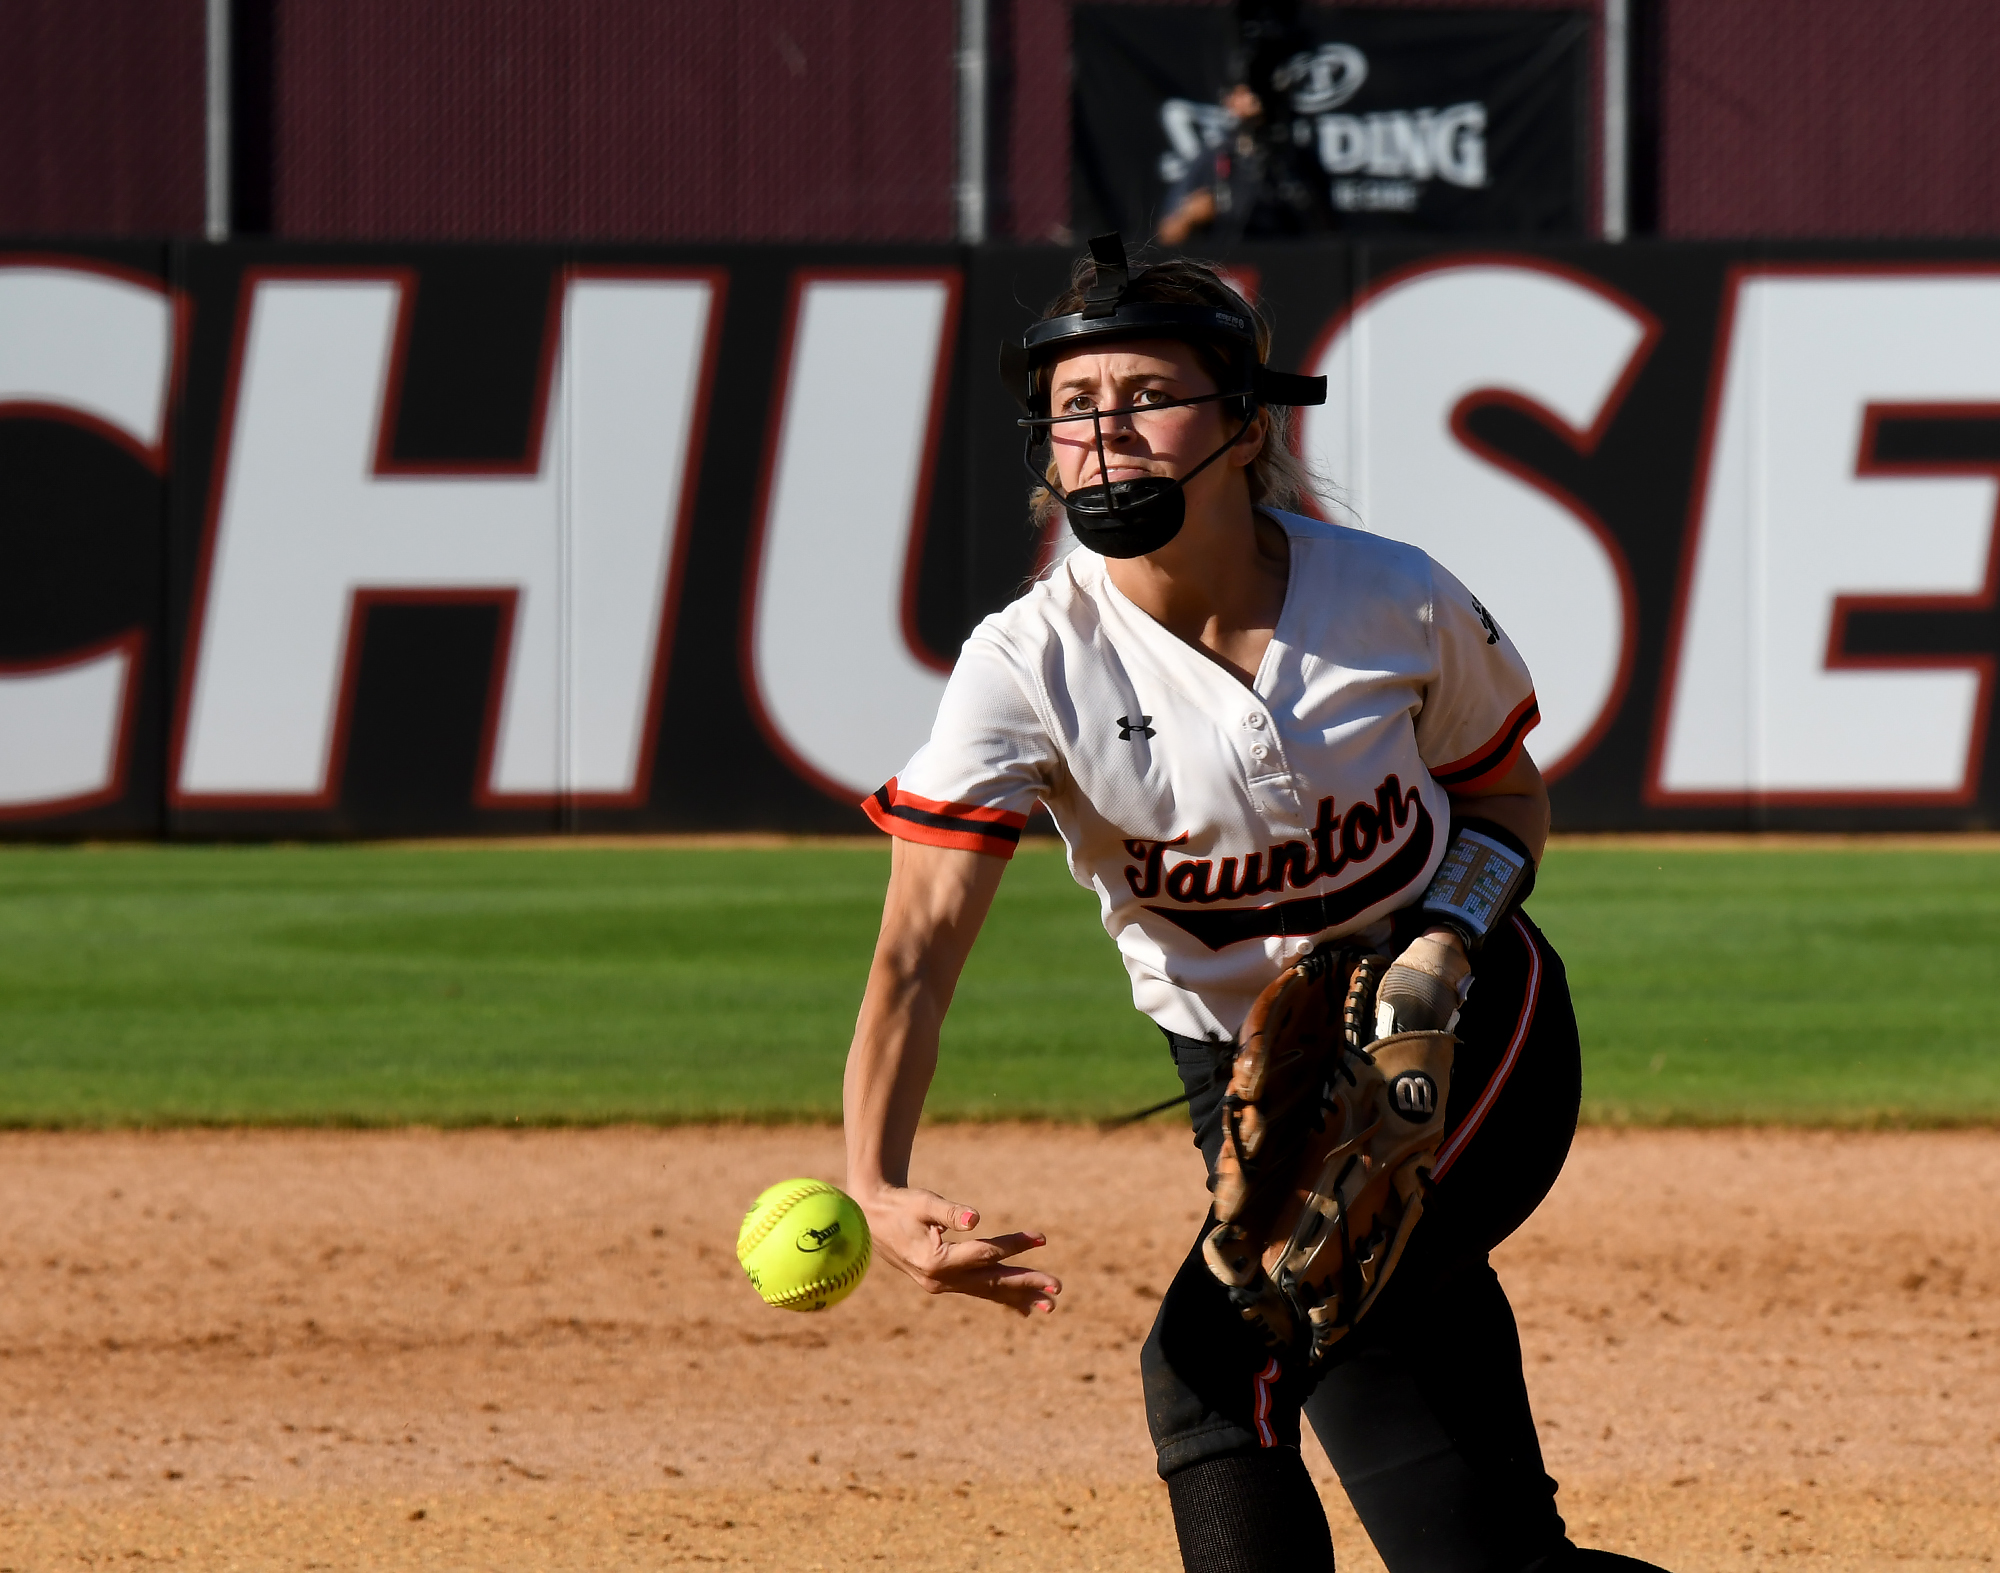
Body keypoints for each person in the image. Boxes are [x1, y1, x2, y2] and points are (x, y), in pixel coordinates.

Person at [841, 237, 1670, 1573]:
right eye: (1073, 402)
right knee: (1486, 1561)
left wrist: (1445, 938)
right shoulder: (1025, 664)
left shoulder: (1389, 596)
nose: (1103, 429)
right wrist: (873, 1176)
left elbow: (1505, 803)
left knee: (1210, 1372)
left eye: (1143, 393)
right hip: (1253, 1093)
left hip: (1464, 1040)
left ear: (1243, 419)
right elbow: (916, 955)